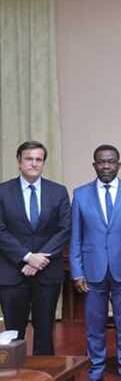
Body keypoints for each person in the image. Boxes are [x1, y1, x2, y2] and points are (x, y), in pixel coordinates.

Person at [71, 144, 121, 381]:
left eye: (110, 161)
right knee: (94, 327)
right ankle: (95, 375)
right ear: (94, 165)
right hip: (92, 271)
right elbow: (76, 237)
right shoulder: (80, 195)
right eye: (101, 162)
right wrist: (77, 272)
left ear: (118, 164)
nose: (106, 166)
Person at [0, 141, 70, 355]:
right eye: (29, 159)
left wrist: (38, 260)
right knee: (13, 334)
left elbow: (64, 229)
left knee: (45, 330)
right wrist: (27, 256)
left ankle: (45, 374)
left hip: (47, 273)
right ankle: (15, 375)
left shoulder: (58, 192)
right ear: (19, 162)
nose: (34, 163)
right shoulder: (3, 192)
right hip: (12, 273)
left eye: (38, 159)